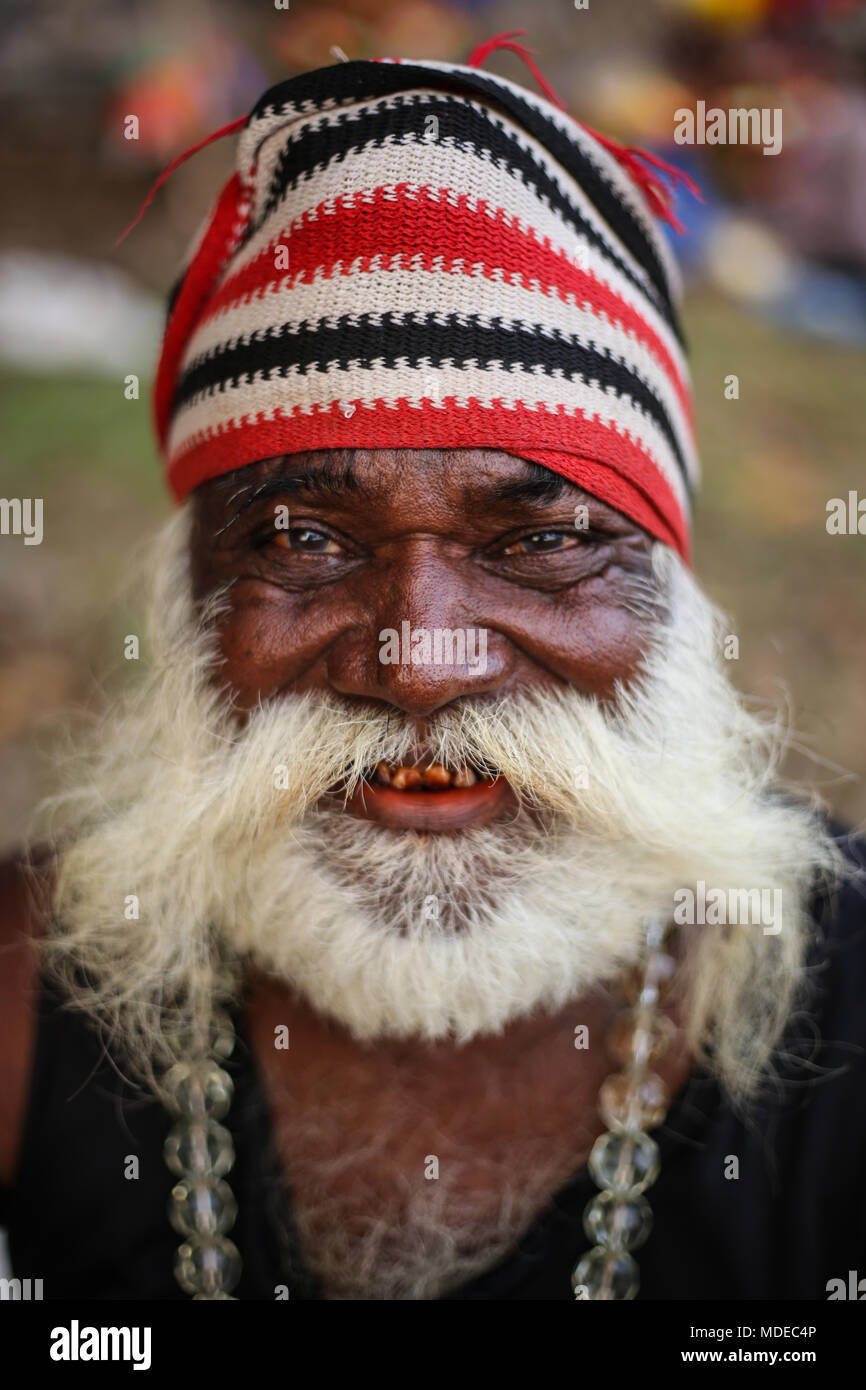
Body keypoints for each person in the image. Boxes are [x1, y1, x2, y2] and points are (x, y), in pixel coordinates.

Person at [0, 49, 863, 1303]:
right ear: (182, 597)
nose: (418, 662)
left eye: (544, 539)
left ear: (672, 603)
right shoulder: (25, 988)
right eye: (301, 539)